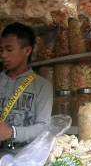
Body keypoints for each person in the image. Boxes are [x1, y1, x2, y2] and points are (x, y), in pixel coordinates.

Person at [0, 22, 53, 157]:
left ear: (27, 51)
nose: (4, 55)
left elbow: (43, 127)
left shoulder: (42, 86)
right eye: (1, 50)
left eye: (9, 49)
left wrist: (12, 133)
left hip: (24, 162)